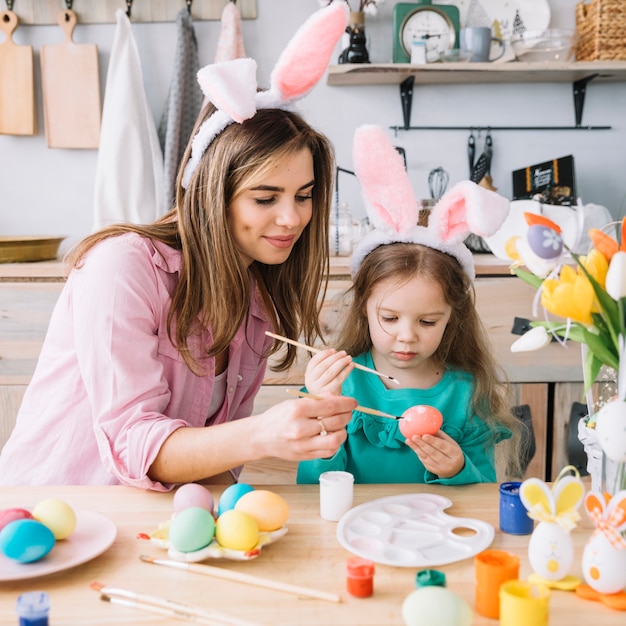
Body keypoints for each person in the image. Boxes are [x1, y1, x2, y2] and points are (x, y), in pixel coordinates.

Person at [0, 3, 357, 490]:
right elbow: (134, 444)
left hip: (155, 529)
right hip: (55, 518)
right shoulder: (122, 267)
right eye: (265, 197)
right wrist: (262, 435)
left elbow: (210, 466)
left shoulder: (256, 302)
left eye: (304, 195)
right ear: (214, 195)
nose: (292, 218)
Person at [297, 124, 523, 485]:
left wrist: (457, 470)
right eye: (389, 318)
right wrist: (322, 410)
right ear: (364, 309)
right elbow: (311, 487)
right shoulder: (341, 385)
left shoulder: (466, 394)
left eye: (428, 322)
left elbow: (483, 492)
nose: (406, 337)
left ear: (453, 318)